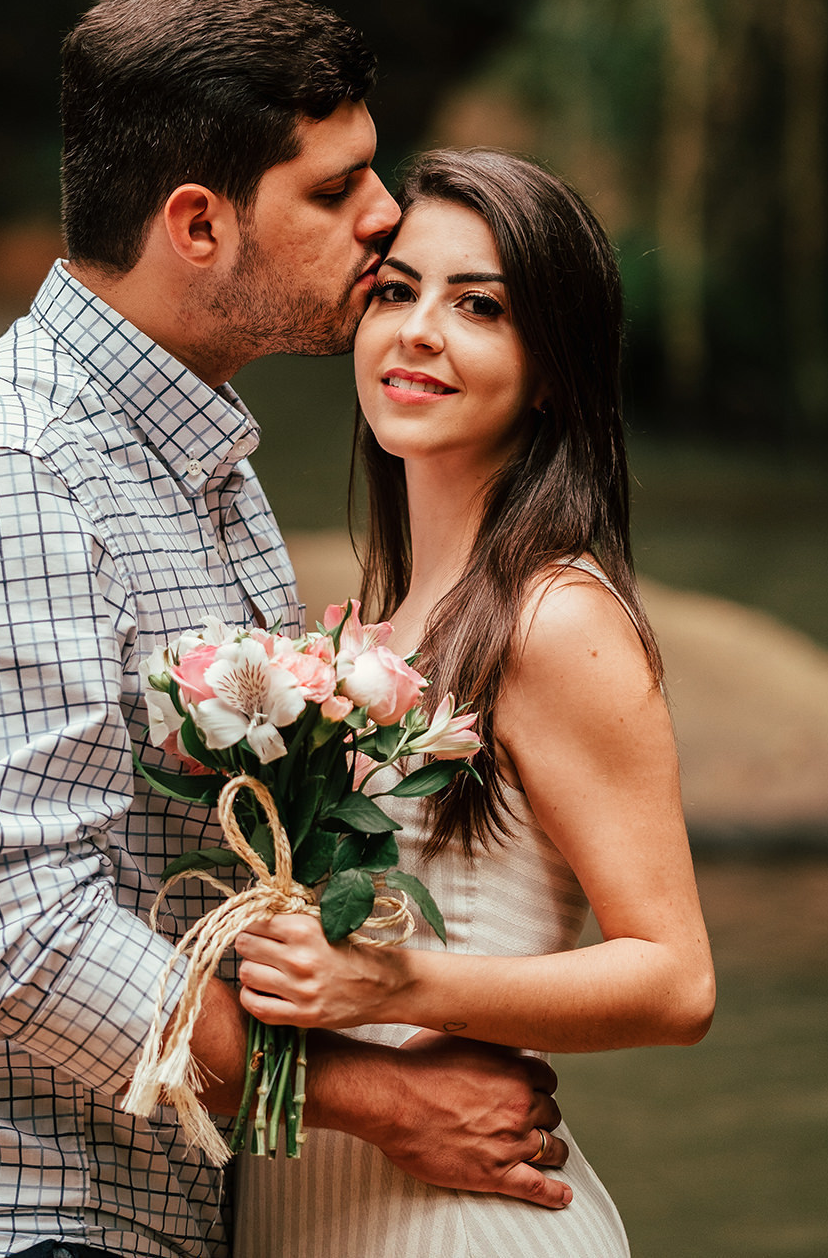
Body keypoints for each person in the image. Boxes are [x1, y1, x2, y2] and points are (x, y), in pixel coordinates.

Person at [0, 0, 572, 1258]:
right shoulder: (11, 468)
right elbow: (14, 924)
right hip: (13, 1212)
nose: (384, 216)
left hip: (156, 1207)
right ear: (197, 225)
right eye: (334, 190)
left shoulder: (193, 459)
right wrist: (373, 1103)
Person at [235, 148, 717, 1256]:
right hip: (310, 1218)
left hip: (463, 1226)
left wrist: (391, 981)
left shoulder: (553, 617)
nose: (417, 330)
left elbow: (675, 979)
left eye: (478, 306)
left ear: (549, 369)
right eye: (396, 291)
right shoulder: (352, 632)